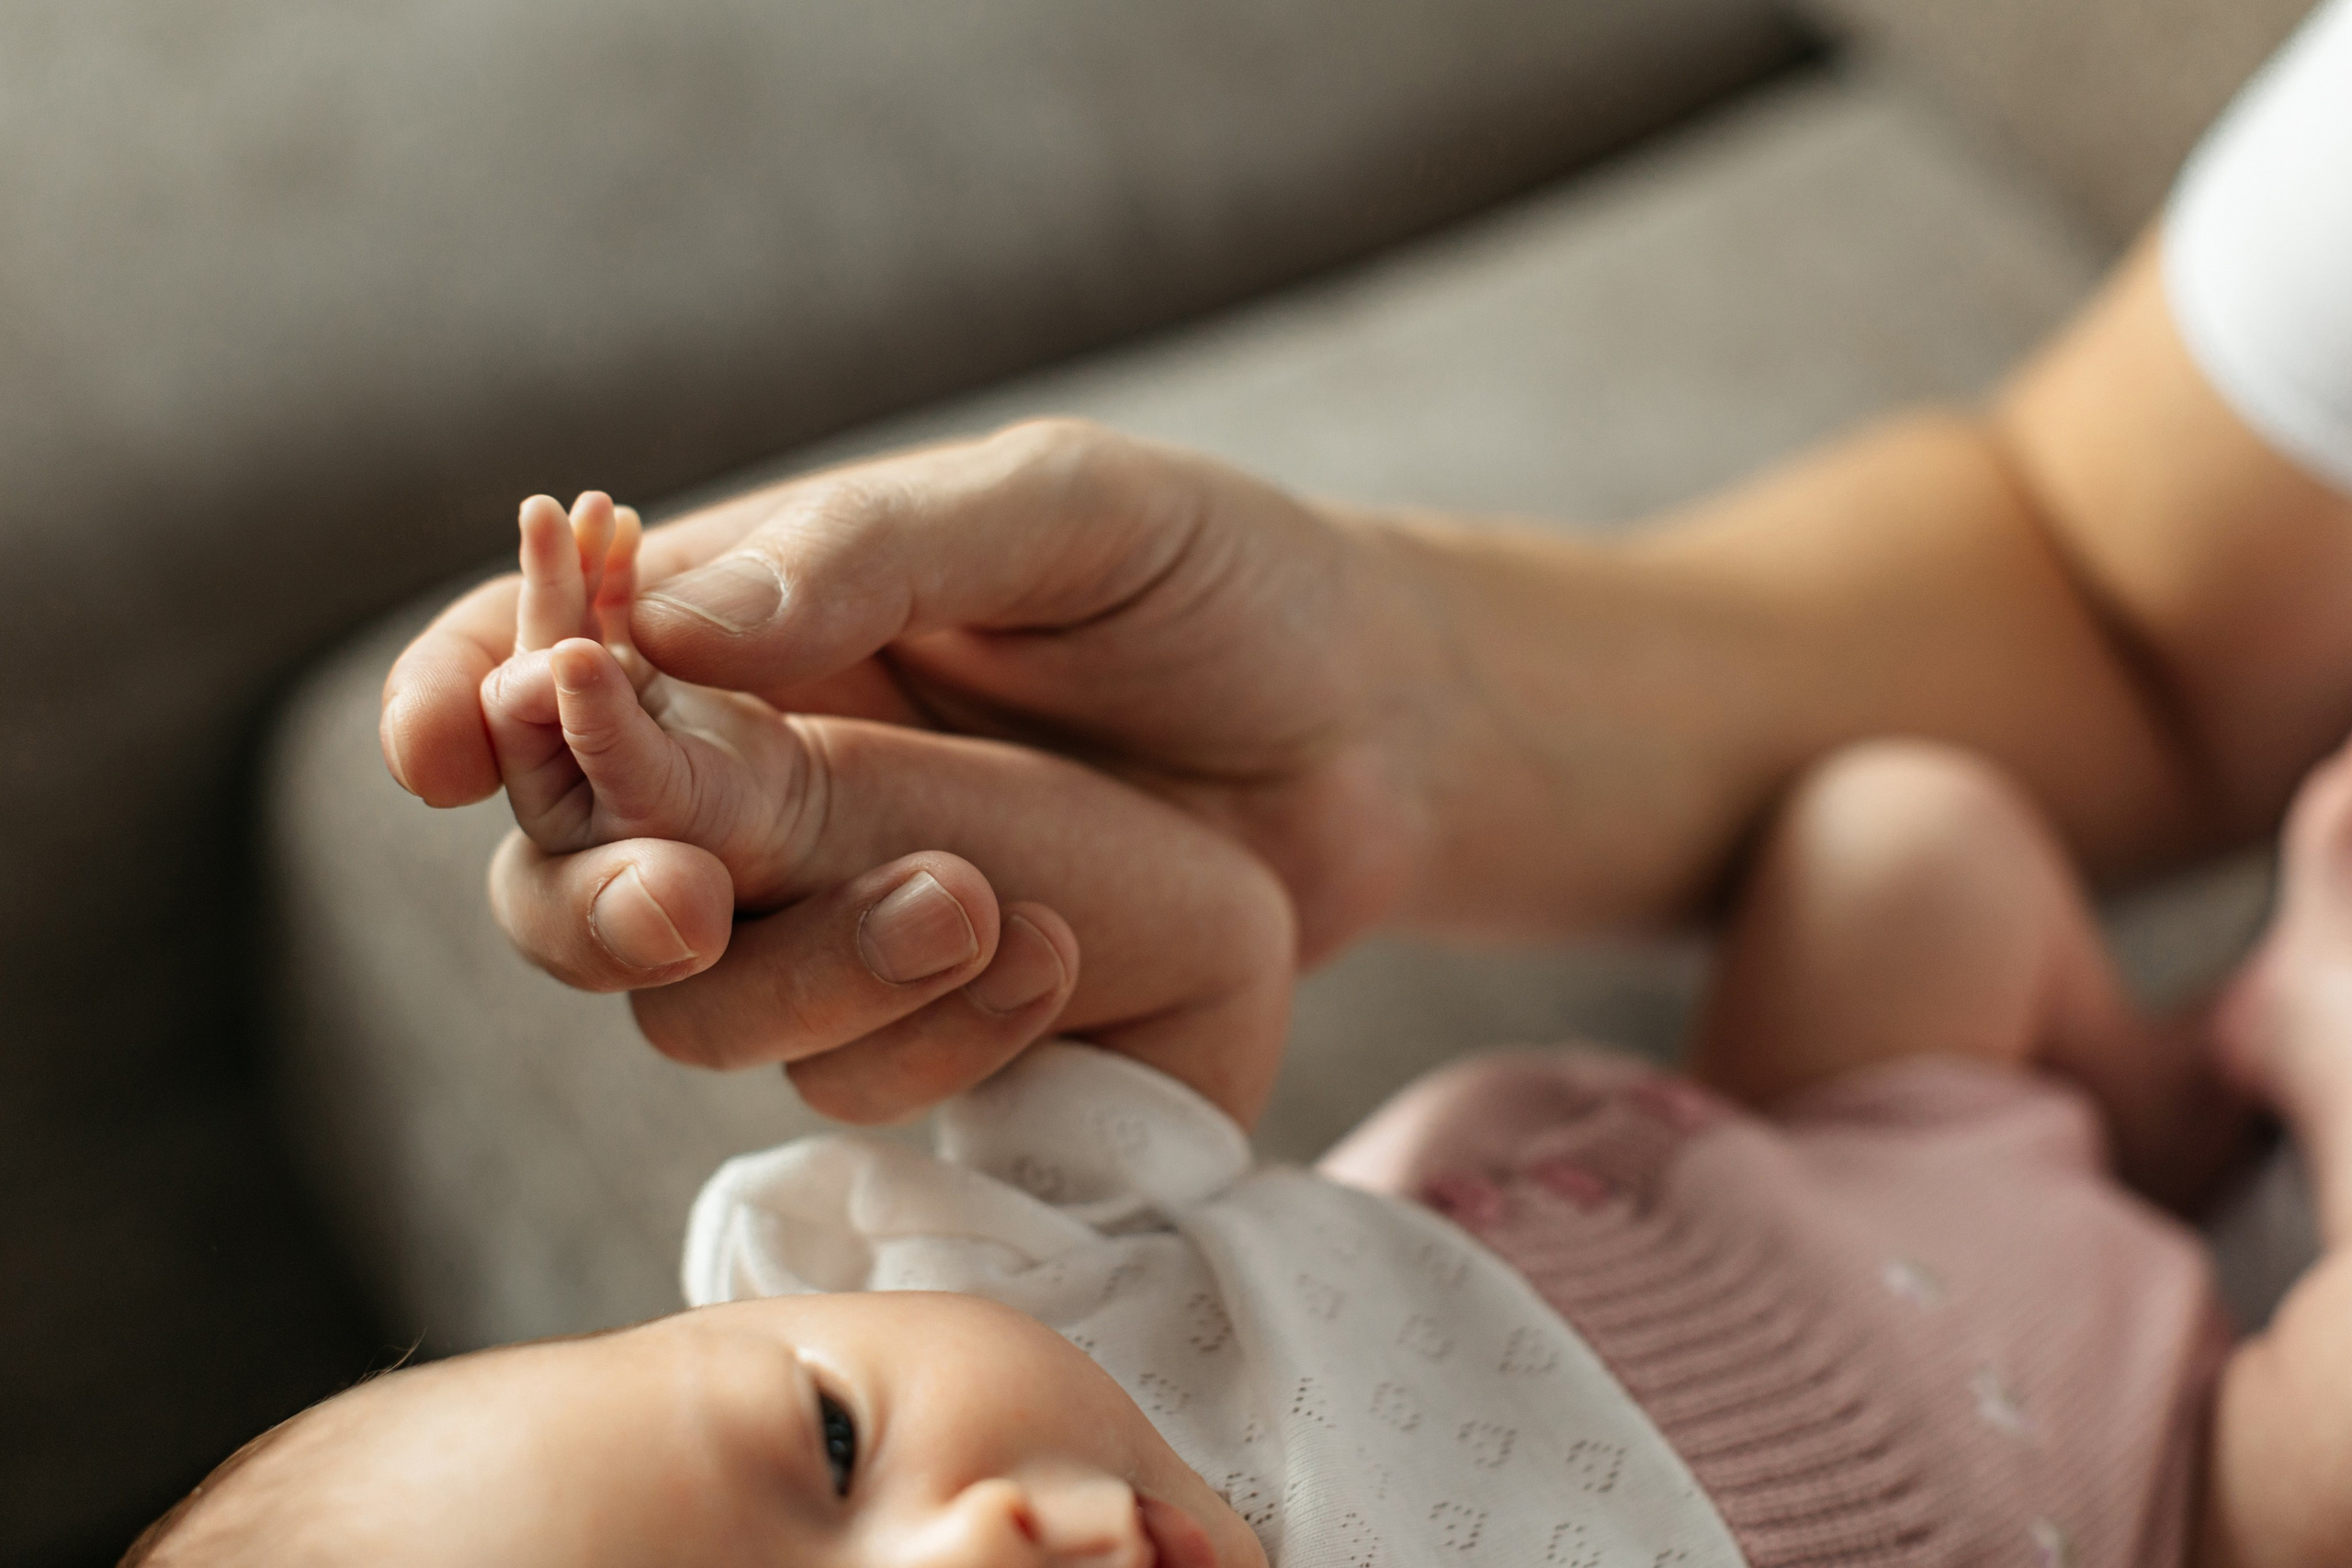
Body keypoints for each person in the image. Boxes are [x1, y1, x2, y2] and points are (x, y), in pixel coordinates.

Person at [130, 489, 2352, 1563]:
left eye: (824, 1446)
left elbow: (1203, 930)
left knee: (1895, 838)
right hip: (2128, 1498)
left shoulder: (1010, 1294)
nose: (966, 1541)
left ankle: (2170, 1097)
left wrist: (783, 798)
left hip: (1820, 1169)